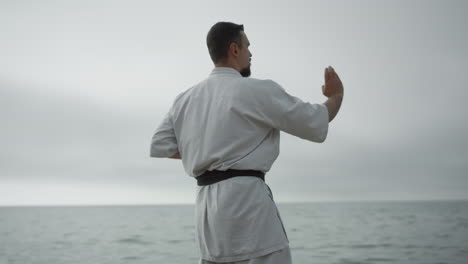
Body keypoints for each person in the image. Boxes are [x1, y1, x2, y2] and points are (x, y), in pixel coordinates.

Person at [150, 22, 343, 264]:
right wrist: (336, 96)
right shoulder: (258, 90)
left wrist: (205, 148)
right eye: (247, 46)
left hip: (208, 214)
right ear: (234, 49)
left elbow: (161, 145)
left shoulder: (185, 99)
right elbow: (314, 121)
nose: (251, 53)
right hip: (248, 206)